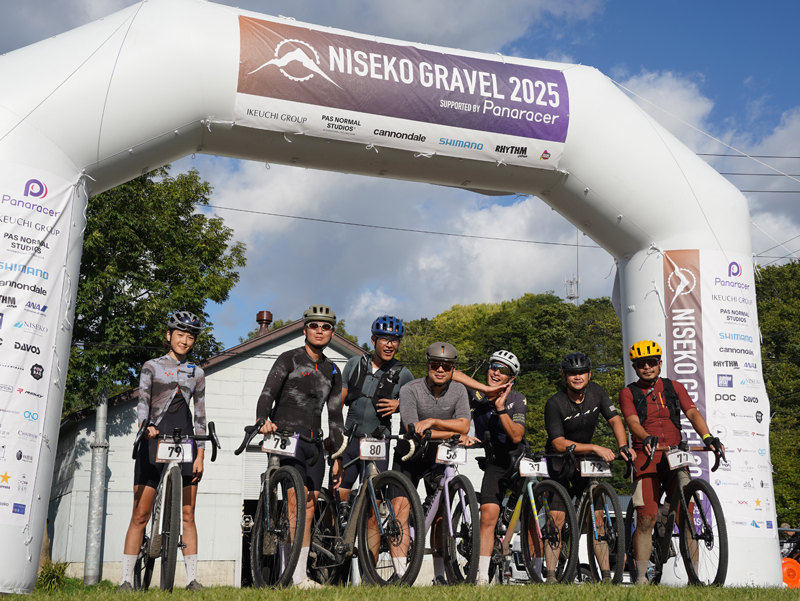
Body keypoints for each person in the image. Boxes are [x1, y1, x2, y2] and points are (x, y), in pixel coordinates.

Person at [254, 304, 345, 589]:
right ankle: (293, 576)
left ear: (332, 333)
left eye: (326, 327)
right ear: (305, 330)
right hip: (286, 437)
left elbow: (335, 416)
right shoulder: (289, 358)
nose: (320, 331)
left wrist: (337, 454)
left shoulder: (333, 370)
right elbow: (267, 394)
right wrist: (262, 419)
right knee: (296, 501)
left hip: (314, 443)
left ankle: (297, 574)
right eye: (314, 326)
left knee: (309, 506)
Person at [619, 340, 722, 585]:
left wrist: (708, 437)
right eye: (641, 364)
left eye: (651, 362)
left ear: (660, 363)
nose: (647, 367)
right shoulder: (628, 393)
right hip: (647, 457)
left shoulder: (674, 387)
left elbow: (692, 412)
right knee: (646, 518)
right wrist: (646, 437)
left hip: (675, 456)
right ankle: (641, 578)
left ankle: (695, 578)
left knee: (686, 517)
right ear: (635, 367)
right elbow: (632, 422)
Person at [119, 311, 207, 591]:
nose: (184, 340)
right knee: (140, 514)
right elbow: (143, 401)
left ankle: (191, 579)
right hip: (154, 437)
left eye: (190, 337)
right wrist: (145, 426)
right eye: (180, 334)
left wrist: (201, 453)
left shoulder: (197, 373)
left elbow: (201, 414)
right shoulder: (152, 366)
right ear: (169, 336)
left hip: (186, 440)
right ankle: (125, 580)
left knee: (188, 514)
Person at [542, 352, 635, 583]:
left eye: (582, 372)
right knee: (557, 518)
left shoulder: (597, 392)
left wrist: (623, 446)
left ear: (589, 374)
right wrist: (594, 447)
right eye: (572, 373)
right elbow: (558, 443)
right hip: (559, 460)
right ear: (564, 376)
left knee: (598, 519)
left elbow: (614, 420)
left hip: (584, 461)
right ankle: (551, 576)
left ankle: (606, 577)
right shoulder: (554, 403)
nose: (577, 377)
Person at [394, 342, 471, 585]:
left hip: (439, 457)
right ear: (427, 365)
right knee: (400, 509)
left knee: (440, 516)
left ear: (453, 368)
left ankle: (439, 576)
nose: (440, 369)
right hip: (410, 454)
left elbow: (465, 425)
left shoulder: (459, 390)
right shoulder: (409, 389)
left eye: (446, 366)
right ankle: (399, 575)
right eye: (435, 364)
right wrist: (453, 433)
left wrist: (432, 422)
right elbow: (413, 428)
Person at [452, 350, 526, 586]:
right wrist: (485, 390)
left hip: (517, 459)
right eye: (493, 366)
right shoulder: (477, 395)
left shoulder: (517, 398)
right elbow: (452, 373)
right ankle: (482, 578)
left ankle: (541, 572)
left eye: (503, 371)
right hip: (494, 463)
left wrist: (501, 408)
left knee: (531, 515)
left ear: (511, 378)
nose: (496, 372)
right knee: (488, 516)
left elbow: (517, 436)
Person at [337, 315, 414, 499]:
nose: (390, 345)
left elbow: (415, 405)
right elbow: (337, 403)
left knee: (375, 499)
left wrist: (400, 405)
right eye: (385, 339)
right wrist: (335, 433)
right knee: (339, 495)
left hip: (378, 440)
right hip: (349, 439)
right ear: (373, 340)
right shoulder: (354, 364)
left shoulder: (403, 374)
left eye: (395, 340)